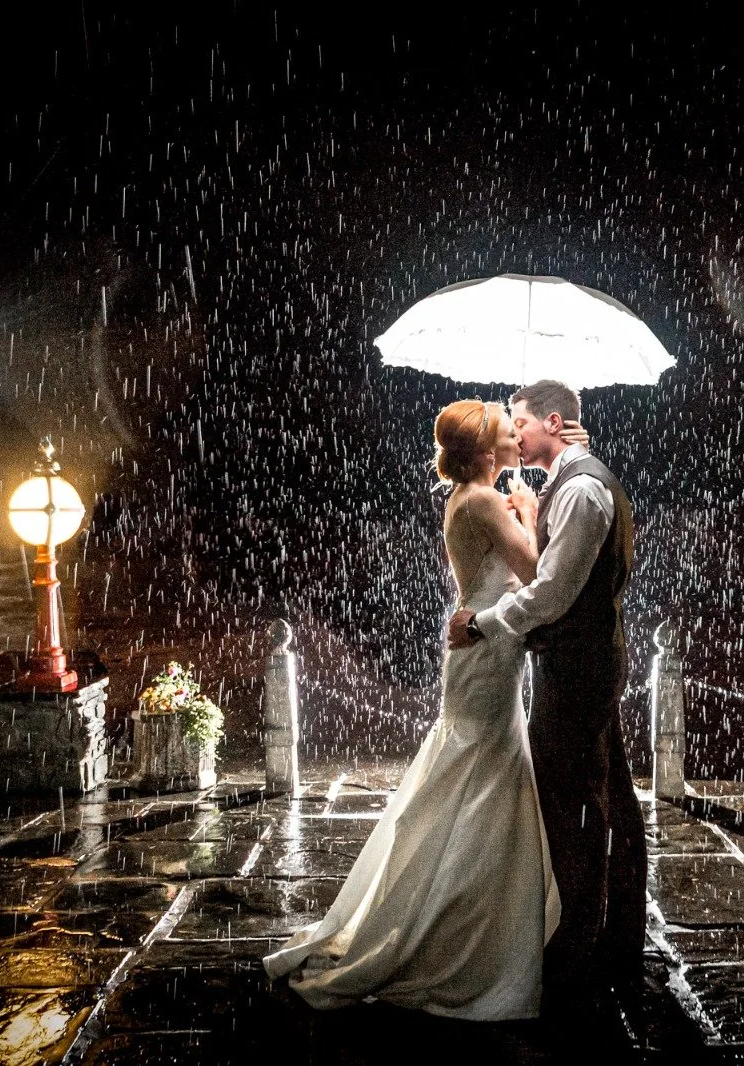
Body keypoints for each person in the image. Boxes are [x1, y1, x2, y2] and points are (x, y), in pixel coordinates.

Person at [264, 399, 586, 1021]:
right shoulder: (488, 502)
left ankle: (462, 905)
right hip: (485, 651)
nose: (519, 440)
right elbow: (538, 571)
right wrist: (533, 511)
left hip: (482, 647)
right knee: (483, 769)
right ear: (490, 455)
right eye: (507, 433)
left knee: (474, 766)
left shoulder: (467, 495)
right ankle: (455, 924)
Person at [447, 378, 646, 1013]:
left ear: (551, 422)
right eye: (507, 424)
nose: (515, 431)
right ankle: (610, 940)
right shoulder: (571, 481)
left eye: (522, 421)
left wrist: (484, 622)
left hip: (578, 668)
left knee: (575, 807)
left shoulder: (581, 487)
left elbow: (551, 591)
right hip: (573, 663)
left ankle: (579, 957)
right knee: (601, 795)